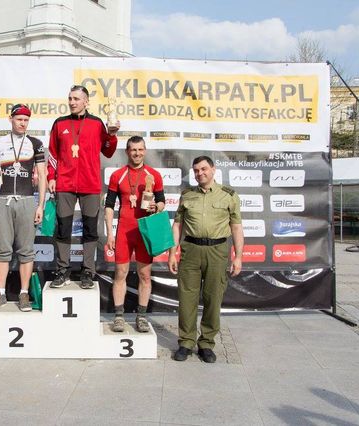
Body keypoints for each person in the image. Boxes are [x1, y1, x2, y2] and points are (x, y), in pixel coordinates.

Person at [168, 155, 244, 363]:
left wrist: (238, 256)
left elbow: (236, 227)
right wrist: (173, 252)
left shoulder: (228, 195)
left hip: (217, 251)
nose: (200, 173)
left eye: (203, 169)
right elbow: (177, 225)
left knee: (213, 298)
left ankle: (207, 344)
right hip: (191, 250)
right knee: (187, 298)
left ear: (213, 169)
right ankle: (186, 342)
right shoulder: (187, 195)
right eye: (196, 171)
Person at [47, 84, 119, 289]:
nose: (72, 102)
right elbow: (52, 153)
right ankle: (63, 270)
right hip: (65, 183)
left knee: (90, 229)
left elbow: (108, 151)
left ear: (86, 102)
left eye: (76, 99)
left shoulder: (96, 123)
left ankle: (88, 271)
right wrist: (51, 177)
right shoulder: (60, 123)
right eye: (70, 98)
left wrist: (111, 135)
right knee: (63, 228)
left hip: (90, 184)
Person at [0, 104, 46, 312]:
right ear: (10, 119)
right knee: (2, 250)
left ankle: (24, 294)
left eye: (26, 120)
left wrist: (40, 205)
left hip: (27, 200)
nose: (22, 123)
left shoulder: (36, 143)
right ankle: (0, 293)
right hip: (3, 199)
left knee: (27, 250)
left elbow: (42, 175)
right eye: (19, 119)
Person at [104, 136, 165, 333]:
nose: (137, 153)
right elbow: (109, 206)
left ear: (144, 151)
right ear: (127, 152)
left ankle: (141, 316)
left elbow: (162, 201)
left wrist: (157, 207)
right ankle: (119, 316)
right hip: (124, 231)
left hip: (144, 231)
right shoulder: (118, 175)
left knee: (144, 275)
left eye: (140, 149)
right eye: (133, 150)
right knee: (120, 273)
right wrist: (110, 233)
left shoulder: (153, 175)